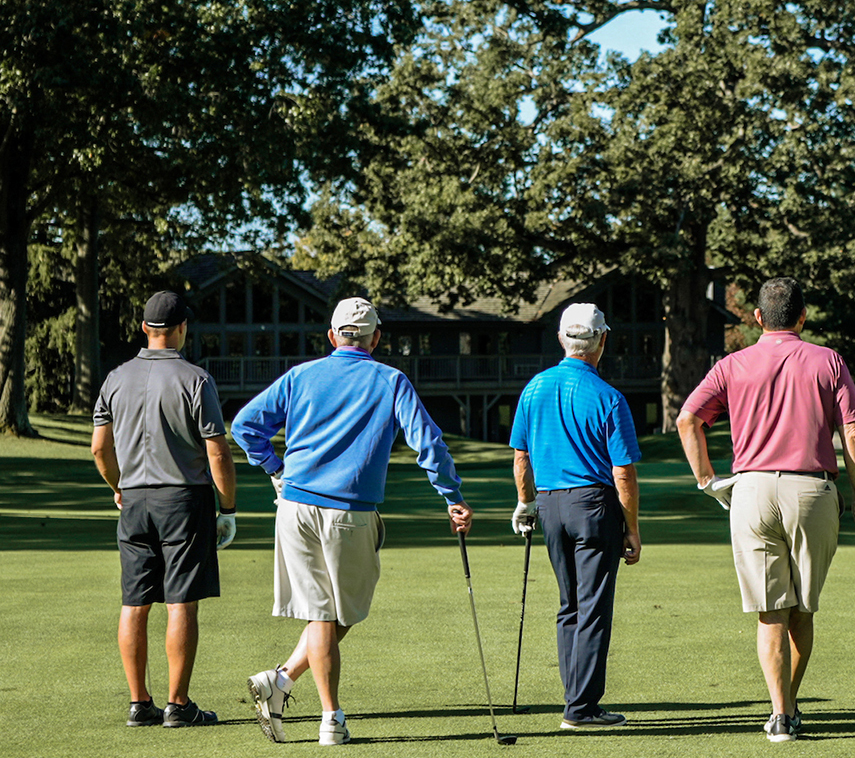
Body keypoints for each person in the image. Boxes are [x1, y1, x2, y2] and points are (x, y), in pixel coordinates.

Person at [233, 297, 472, 746]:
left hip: (294, 509)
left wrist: (275, 468)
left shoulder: (302, 375)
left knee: (330, 613)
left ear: (331, 336)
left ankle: (280, 681)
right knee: (330, 614)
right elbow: (429, 444)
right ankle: (331, 719)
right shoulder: (391, 380)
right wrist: (452, 496)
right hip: (349, 513)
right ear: (375, 338)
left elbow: (245, 426)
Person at [675, 277, 855, 744]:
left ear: (758, 318)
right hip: (812, 491)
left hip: (751, 492)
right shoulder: (828, 361)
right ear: (803, 316)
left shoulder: (732, 364)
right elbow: (852, 433)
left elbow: (688, 420)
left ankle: (781, 715)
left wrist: (708, 481)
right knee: (802, 610)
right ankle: (787, 708)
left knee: (771, 612)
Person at [91, 290, 238, 728]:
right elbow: (218, 452)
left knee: (134, 602)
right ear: (182, 328)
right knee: (181, 602)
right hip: (183, 499)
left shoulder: (115, 378)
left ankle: (139, 704)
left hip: (134, 500)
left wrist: (118, 486)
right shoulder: (196, 379)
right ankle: (178, 705)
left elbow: (99, 448)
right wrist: (228, 507)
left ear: (144, 328)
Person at [508, 303, 642, 730]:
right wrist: (632, 528)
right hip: (594, 506)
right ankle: (581, 709)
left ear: (561, 339)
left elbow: (521, 456)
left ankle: (575, 700)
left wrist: (525, 502)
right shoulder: (609, 396)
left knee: (570, 606)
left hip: (550, 505)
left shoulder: (534, 388)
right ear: (602, 340)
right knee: (593, 607)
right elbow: (623, 472)